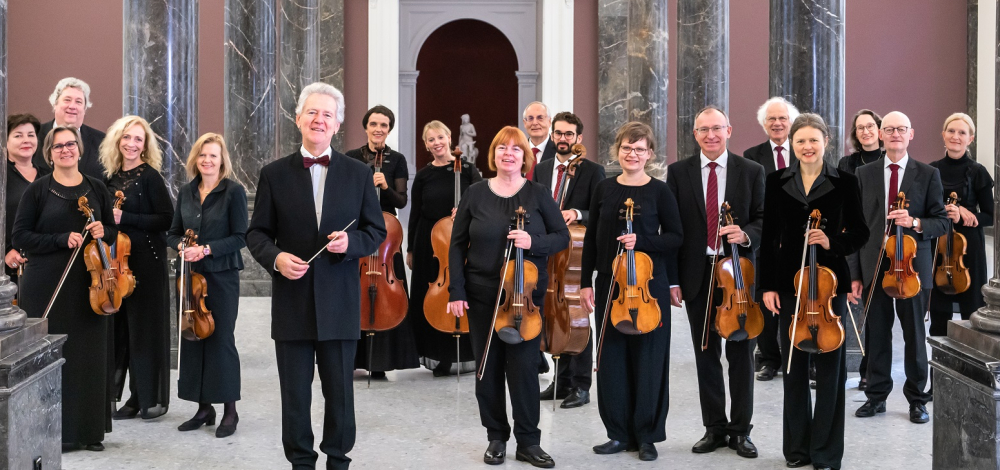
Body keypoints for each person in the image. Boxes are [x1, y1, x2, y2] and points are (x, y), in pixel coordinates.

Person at [247, 82, 386, 469]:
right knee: (295, 395)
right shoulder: (274, 174)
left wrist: (351, 245)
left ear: (338, 124)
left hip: (339, 302)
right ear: (298, 119)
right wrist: (276, 259)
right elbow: (257, 233)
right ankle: (301, 462)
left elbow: (375, 231)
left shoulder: (359, 173)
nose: (319, 120)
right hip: (292, 302)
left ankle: (338, 460)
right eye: (312, 112)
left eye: (327, 114)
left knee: (340, 393)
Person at [447, 126, 568, 468]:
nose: (509, 154)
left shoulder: (539, 194)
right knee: (487, 368)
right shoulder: (474, 193)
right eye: (502, 148)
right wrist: (456, 290)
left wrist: (534, 243)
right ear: (494, 155)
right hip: (482, 293)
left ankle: (529, 442)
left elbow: (561, 237)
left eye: (516, 149)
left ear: (525, 157)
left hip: (525, 296)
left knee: (524, 369)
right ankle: (496, 437)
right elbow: (456, 245)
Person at [759, 113, 869, 470]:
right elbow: (768, 238)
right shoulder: (776, 181)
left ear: (826, 142)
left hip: (828, 288)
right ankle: (797, 450)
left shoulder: (846, 182)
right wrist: (768, 287)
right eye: (801, 141)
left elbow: (861, 233)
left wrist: (832, 241)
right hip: (789, 284)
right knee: (793, 367)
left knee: (830, 370)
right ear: (792, 144)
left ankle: (825, 453)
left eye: (814, 140)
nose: (807, 147)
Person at [667, 106, 765, 458]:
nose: (710, 135)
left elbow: (764, 219)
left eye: (716, 128)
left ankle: (741, 431)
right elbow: (673, 229)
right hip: (698, 273)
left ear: (729, 130)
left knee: (741, 354)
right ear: (694, 135)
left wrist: (746, 233)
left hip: (739, 275)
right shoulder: (678, 173)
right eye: (703, 129)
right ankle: (714, 428)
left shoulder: (752, 171)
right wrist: (672, 280)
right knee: (706, 354)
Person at [581, 121, 682, 461]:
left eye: (640, 148)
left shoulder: (659, 191)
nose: (633, 154)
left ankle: (647, 435)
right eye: (627, 147)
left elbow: (675, 237)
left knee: (649, 360)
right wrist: (584, 282)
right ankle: (618, 434)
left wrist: (644, 241)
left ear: (649, 154)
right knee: (611, 360)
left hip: (648, 286)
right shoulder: (604, 189)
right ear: (618, 150)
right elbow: (593, 237)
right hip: (611, 285)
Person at [13, 125, 117, 451]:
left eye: (70, 144)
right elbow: (21, 237)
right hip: (46, 285)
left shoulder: (97, 188)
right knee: (51, 358)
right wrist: (61, 239)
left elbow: (112, 233)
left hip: (90, 285)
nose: (65, 150)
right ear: (50, 153)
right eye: (58, 146)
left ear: (80, 148)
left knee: (88, 356)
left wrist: (103, 231)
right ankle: (49, 431)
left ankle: (88, 432)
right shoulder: (38, 190)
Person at [847, 111, 949, 424]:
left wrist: (915, 222)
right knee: (877, 334)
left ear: (911, 134)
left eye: (901, 129)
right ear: (880, 134)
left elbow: (942, 221)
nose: (895, 134)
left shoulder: (927, 173)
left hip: (912, 270)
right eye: (889, 129)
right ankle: (876, 397)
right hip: (874, 266)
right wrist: (854, 275)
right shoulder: (865, 175)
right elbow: (854, 227)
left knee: (915, 335)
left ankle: (917, 400)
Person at [166, 132, 247, 438]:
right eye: (202, 155)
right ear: (195, 160)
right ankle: (203, 408)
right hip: (188, 274)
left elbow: (241, 236)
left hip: (221, 275)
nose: (207, 160)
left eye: (213, 155)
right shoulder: (186, 192)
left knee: (221, 338)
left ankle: (229, 410)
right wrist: (181, 247)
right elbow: (172, 232)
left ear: (222, 160)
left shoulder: (233, 192)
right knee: (193, 336)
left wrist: (208, 249)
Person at [100, 115, 173, 421]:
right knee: (121, 331)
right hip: (116, 264)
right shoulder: (108, 179)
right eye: (127, 137)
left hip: (146, 263)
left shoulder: (151, 177)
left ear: (145, 146)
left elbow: (166, 219)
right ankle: (123, 395)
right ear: (117, 140)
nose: (132, 144)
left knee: (144, 331)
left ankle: (144, 398)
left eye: (138, 139)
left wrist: (125, 219)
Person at [531, 111, 605, 408]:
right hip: (547, 250)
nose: (563, 139)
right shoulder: (542, 168)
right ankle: (560, 381)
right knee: (552, 312)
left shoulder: (592, 170)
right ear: (552, 135)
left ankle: (581, 385)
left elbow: (599, 212)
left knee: (576, 313)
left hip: (576, 252)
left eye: (569, 134)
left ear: (579, 139)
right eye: (558, 133)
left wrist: (577, 213)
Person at [345, 105, 419, 377]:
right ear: (365, 127)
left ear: (389, 129)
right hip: (359, 232)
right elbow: (343, 197)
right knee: (354, 293)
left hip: (387, 236)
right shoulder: (351, 158)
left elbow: (401, 201)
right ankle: (351, 360)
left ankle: (381, 364)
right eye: (374, 124)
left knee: (390, 293)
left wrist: (385, 186)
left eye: (384, 125)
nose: (378, 129)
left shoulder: (397, 159)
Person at [408, 120, 482, 376]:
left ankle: (468, 350)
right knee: (431, 298)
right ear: (426, 145)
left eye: (440, 137)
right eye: (431, 140)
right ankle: (439, 354)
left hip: (463, 242)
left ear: (450, 138)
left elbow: (483, 204)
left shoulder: (469, 170)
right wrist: (410, 249)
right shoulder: (423, 175)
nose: (436, 143)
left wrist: (465, 209)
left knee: (464, 293)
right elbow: (415, 213)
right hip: (430, 244)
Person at [743, 97, 800, 381]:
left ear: (791, 123)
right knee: (764, 299)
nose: (777, 123)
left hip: (799, 237)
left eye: (782, 119)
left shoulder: (805, 150)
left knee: (797, 296)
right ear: (764, 124)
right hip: (765, 238)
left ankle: (802, 355)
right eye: (771, 119)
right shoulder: (751, 156)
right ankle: (768, 359)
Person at [928, 113, 993, 335]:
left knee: (972, 314)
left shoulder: (978, 172)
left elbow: (991, 216)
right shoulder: (931, 170)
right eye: (951, 131)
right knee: (938, 319)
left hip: (969, 252)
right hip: (938, 249)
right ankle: (937, 369)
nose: (956, 136)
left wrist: (966, 213)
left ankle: (970, 369)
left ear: (970, 139)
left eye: (962, 133)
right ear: (943, 135)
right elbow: (923, 209)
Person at [839, 109, 883, 392]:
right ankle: (845, 365)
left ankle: (871, 370)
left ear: (880, 129)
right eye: (860, 128)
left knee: (877, 314)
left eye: (870, 126)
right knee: (856, 307)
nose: (865, 131)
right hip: (854, 236)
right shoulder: (848, 162)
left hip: (881, 238)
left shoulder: (887, 158)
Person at [31, 78, 107, 179]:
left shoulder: (102, 142)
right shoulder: (34, 136)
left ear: (85, 109)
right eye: (67, 100)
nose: (72, 106)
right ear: (55, 103)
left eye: (78, 102)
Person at [5, 114, 49, 283]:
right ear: (5, 140)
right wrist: (5, 252)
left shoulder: (48, 176)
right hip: (11, 265)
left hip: (44, 261)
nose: (26, 140)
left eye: (31, 135)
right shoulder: (2, 175)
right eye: (18, 135)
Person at [523, 102, 554, 183]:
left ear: (549, 121)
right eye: (530, 118)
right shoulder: (517, 150)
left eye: (540, 118)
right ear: (524, 123)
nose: (535, 123)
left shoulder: (559, 152)